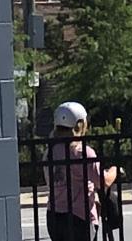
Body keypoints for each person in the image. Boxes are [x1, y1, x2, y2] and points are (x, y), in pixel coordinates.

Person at [44, 100, 118, 240]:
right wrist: (115, 169)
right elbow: (104, 181)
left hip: (54, 216)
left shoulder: (49, 153)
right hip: (79, 216)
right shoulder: (82, 152)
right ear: (81, 124)